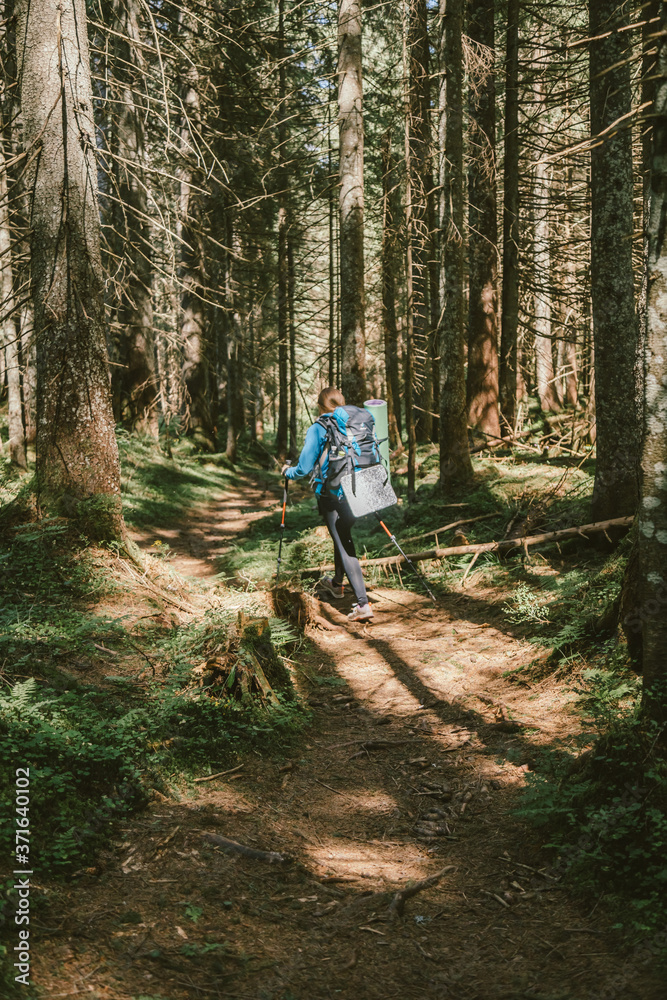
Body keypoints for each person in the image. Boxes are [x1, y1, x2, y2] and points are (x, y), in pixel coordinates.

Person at [282, 386, 374, 622]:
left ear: (321, 406)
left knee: (344, 542)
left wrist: (287, 472)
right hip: (359, 487)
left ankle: (362, 604)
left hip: (333, 494)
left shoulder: (319, 427)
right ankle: (337, 584)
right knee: (341, 534)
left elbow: (302, 468)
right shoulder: (353, 423)